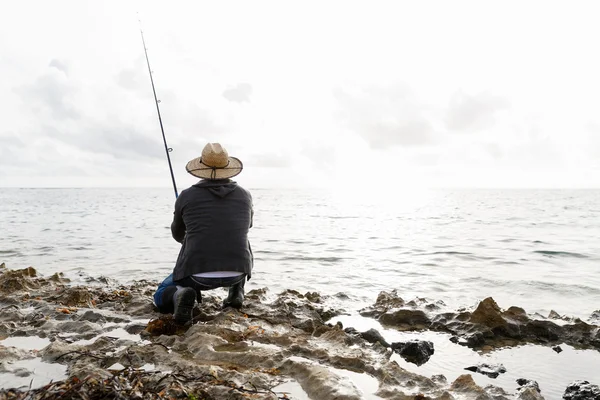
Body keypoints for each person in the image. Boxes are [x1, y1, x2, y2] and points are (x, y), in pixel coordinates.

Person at [153, 143, 253, 325]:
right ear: (227, 167)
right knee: (241, 238)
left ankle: (179, 295)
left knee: (160, 294)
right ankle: (236, 292)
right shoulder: (245, 195)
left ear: (201, 167)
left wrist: (191, 235)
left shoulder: (186, 195)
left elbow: (177, 234)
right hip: (238, 271)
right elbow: (248, 226)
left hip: (196, 276)